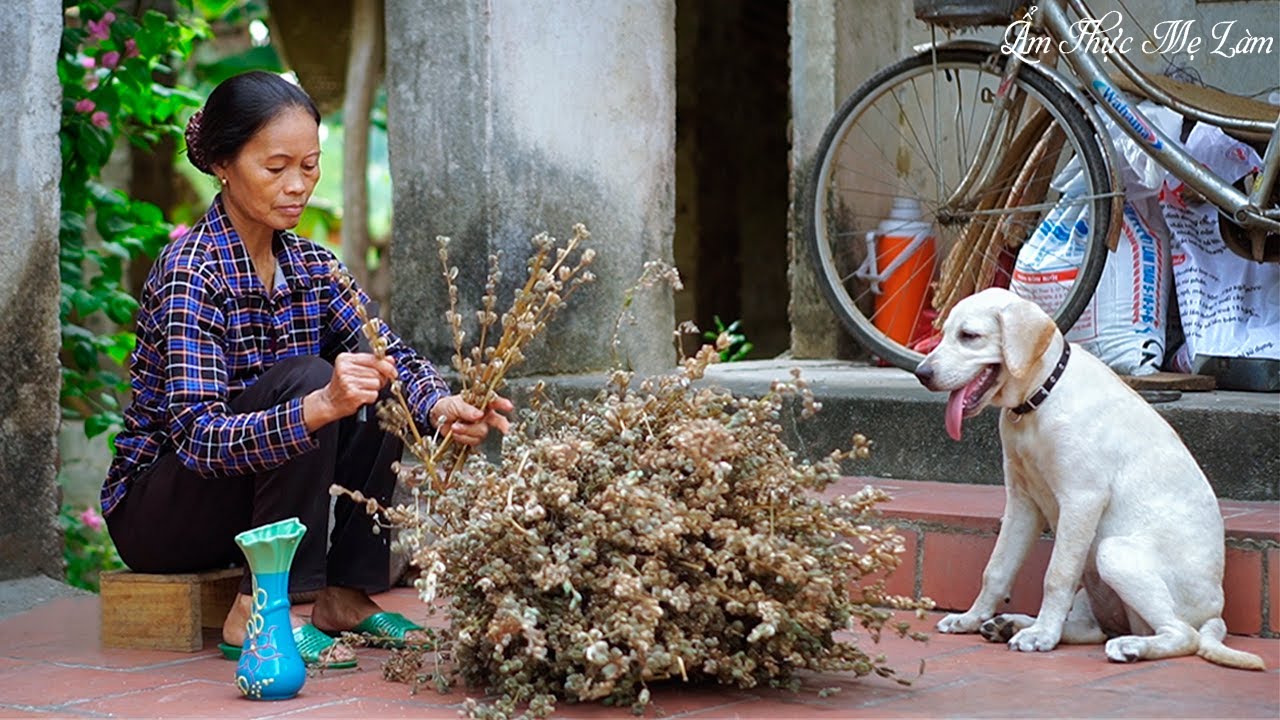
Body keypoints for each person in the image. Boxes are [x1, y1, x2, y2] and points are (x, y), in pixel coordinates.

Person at [100, 70, 512, 667]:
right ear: (223, 164)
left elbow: (387, 353)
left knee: (376, 383)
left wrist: (439, 405)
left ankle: (343, 594)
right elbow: (198, 440)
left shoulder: (313, 266)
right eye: (276, 168)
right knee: (314, 381)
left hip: (248, 502)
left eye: (310, 166)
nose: (297, 185)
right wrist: (317, 407)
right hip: (163, 514)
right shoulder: (193, 270)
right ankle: (258, 609)